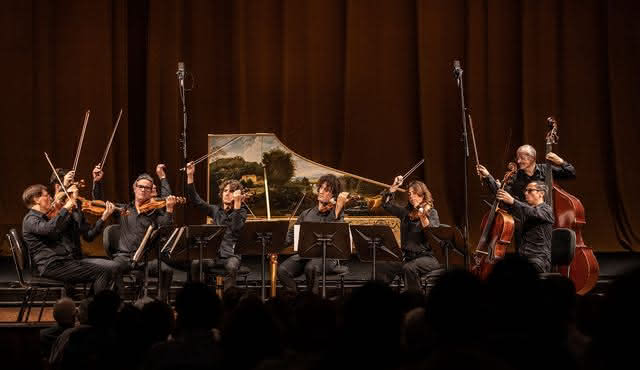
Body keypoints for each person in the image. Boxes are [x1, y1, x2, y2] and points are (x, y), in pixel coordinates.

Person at [21, 184, 114, 293]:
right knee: (102, 271)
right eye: (47, 195)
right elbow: (49, 229)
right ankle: (93, 307)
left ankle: (89, 305)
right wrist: (65, 208)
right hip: (51, 265)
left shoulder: (43, 218)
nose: (51, 198)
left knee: (107, 269)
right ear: (36, 199)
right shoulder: (31, 219)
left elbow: (57, 228)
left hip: (62, 262)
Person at [277, 174, 349, 294]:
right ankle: (296, 298)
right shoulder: (306, 214)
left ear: (334, 195)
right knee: (282, 270)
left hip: (328, 257)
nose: (320, 191)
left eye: (326, 190)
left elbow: (338, 236)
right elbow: (290, 236)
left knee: (311, 267)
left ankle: (312, 301)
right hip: (305, 255)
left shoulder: (337, 213)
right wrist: (274, 247)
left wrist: (338, 208)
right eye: (320, 188)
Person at [111, 174, 177, 301]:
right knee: (112, 268)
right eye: (140, 186)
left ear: (150, 192)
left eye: (147, 188)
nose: (143, 190)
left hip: (145, 259)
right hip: (124, 257)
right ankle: (120, 302)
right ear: (134, 188)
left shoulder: (154, 212)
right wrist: (96, 183)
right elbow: (97, 202)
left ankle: (160, 303)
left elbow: (165, 229)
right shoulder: (124, 209)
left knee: (167, 271)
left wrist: (169, 210)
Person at [185, 161, 248, 290]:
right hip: (213, 254)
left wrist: (237, 204)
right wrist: (190, 176)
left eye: (231, 191)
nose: (227, 193)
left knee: (231, 267)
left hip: (231, 254)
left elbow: (236, 228)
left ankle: (228, 302)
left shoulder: (241, 212)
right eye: (225, 190)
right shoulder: (215, 210)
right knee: (196, 263)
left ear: (237, 195)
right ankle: (197, 296)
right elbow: (196, 201)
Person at [375, 176, 441, 292]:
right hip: (408, 257)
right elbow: (386, 205)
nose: (412, 197)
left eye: (415, 193)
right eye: (410, 194)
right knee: (382, 265)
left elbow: (433, 235)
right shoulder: (406, 213)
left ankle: (415, 300)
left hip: (428, 257)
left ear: (422, 195)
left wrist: (423, 217)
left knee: (409, 268)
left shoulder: (431, 212)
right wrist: (394, 186)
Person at [476, 144, 575, 202]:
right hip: (526, 223)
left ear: (532, 158)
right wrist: (487, 176)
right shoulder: (516, 177)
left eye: (522, 158)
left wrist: (560, 161)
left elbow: (571, 174)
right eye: (517, 158)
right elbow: (501, 193)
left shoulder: (546, 169)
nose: (518, 161)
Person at [496, 181, 554, 272]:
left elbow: (532, 212)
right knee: (501, 267)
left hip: (539, 260)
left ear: (541, 193)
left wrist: (513, 201)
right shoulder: (525, 209)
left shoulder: (547, 210)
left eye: (530, 190)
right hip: (523, 258)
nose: (526, 193)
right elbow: (507, 198)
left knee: (520, 272)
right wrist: (488, 177)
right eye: (525, 191)